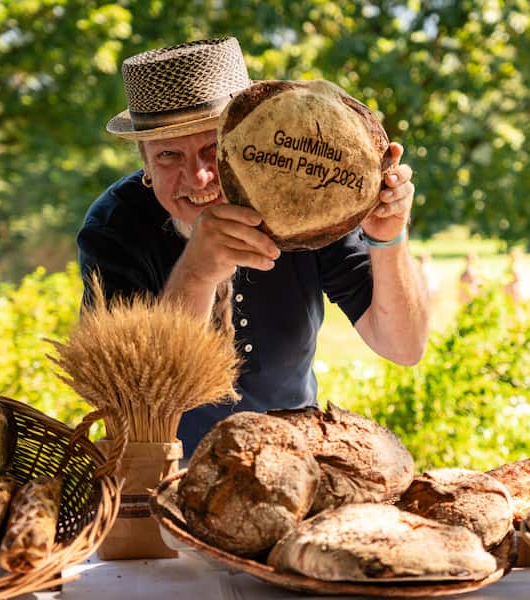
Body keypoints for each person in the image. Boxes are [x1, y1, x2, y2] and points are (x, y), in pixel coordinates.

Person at [77, 37, 429, 457]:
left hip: (292, 468)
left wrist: (387, 236)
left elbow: (403, 347)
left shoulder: (305, 199)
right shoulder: (115, 226)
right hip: (165, 476)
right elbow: (133, 404)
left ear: (256, 146)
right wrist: (196, 273)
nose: (200, 177)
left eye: (214, 147)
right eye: (169, 154)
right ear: (146, 165)